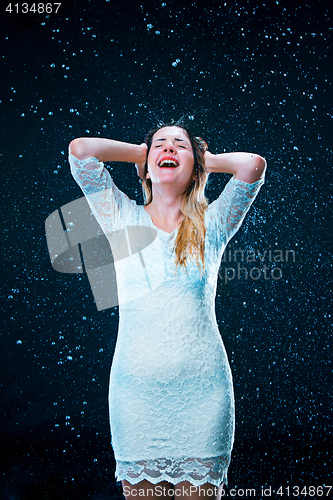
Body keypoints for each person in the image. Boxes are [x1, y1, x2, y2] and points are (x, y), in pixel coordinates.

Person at [68, 120, 266, 500]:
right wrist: (142, 154)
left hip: (203, 396)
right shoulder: (120, 217)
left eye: (180, 145)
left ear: (198, 168)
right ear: (144, 165)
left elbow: (252, 166)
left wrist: (204, 159)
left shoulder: (214, 222)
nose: (169, 149)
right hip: (136, 396)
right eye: (160, 144)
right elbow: (81, 151)